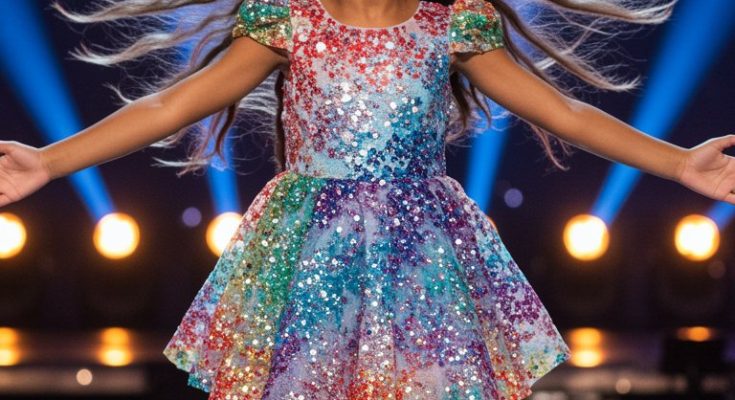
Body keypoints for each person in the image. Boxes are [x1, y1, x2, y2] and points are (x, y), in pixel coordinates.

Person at [1, 0, 734, 398]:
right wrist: (46, 161)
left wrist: (679, 164)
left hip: (422, 258)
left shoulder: (452, 24)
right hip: (310, 255)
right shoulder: (288, 21)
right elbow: (170, 106)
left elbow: (564, 113)